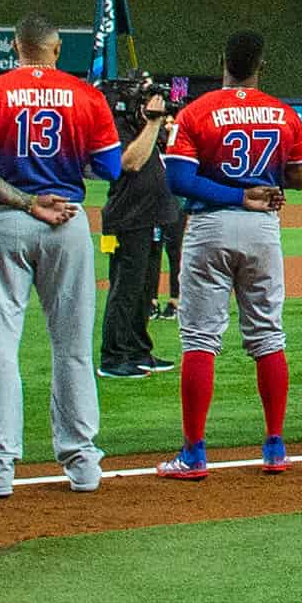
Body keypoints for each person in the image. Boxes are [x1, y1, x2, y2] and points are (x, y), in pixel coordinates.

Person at [0, 16, 139, 495]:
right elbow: (111, 166)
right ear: (55, 50)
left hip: (6, 221)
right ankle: (82, 464)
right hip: (68, 221)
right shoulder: (85, 95)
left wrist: (24, 200)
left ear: (17, 47)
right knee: (72, 348)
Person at [154, 32, 302, 477]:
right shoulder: (282, 112)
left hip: (210, 225)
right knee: (268, 337)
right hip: (263, 229)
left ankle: (194, 453)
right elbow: (298, 177)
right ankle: (275, 447)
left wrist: (237, 196)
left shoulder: (196, 110)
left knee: (200, 339)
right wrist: (263, 184)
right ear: (263, 65)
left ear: (222, 60)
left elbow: (179, 179)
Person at [96, 75, 179, 381]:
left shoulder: (139, 127)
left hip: (152, 216)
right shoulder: (116, 127)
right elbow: (129, 163)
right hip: (127, 219)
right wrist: (153, 123)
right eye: (144, 97)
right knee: (125, 289)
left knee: (144, 289)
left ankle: (138, 350)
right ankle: (113, 356)